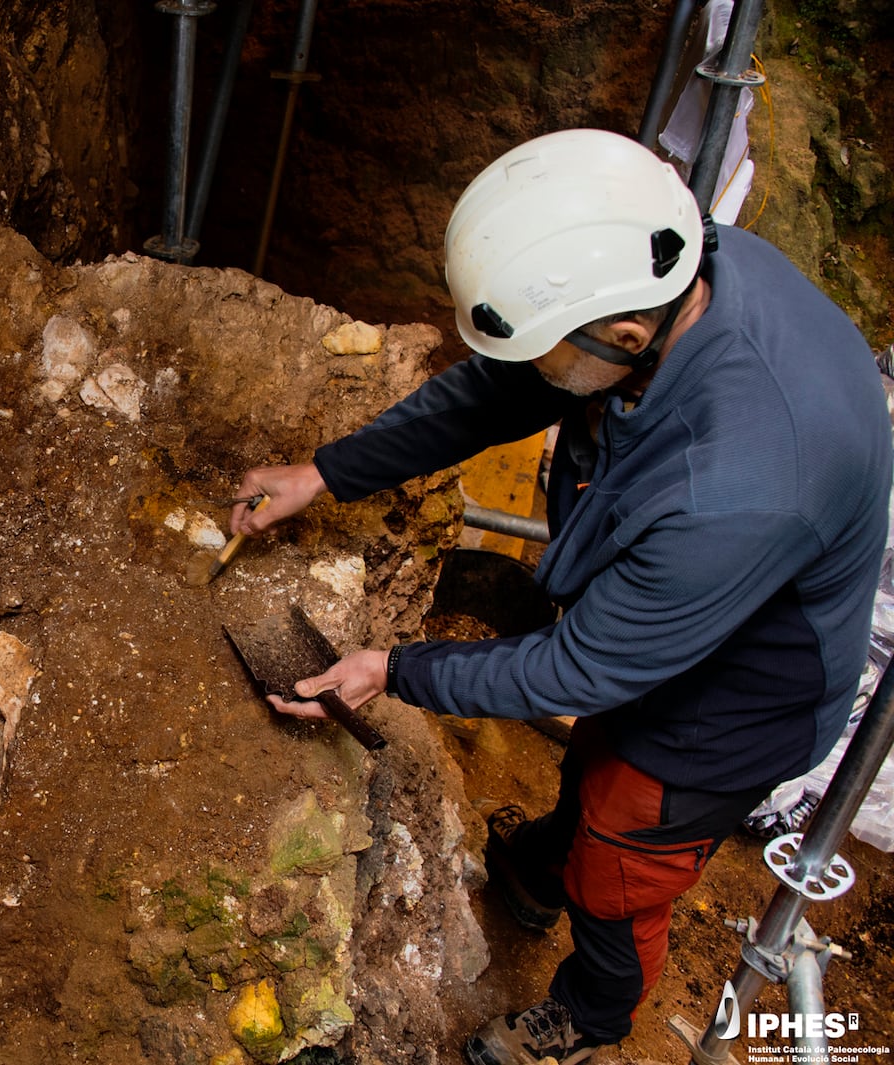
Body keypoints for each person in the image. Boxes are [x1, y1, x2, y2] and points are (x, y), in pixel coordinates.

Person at [228, 129, 892, 1065]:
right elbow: (492, 397)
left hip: (742, 700)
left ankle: (591, 1014)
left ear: (625, 338)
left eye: (548, 353)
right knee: (596, 765)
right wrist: (326, 473)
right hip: (680, 608)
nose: (535, 373)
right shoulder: (675, 271)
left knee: (625, 848)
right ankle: (545, 869)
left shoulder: (737, 483)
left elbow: (579, 667)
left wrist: (394, 667)